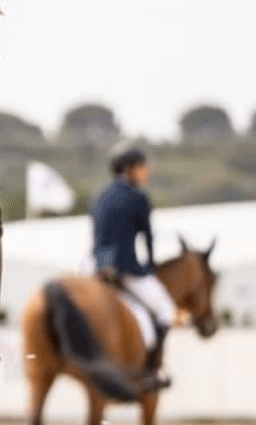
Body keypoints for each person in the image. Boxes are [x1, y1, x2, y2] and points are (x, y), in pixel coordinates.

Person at [89, 145, 177, 382]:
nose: (148, 171)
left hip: (95, 266)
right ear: (129, 169)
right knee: (166, 311)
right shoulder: (138, 197)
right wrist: (150, 269)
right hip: (125, 269)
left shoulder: (99, 195)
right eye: (143, 167)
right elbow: (148, 240)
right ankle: (155, 368)